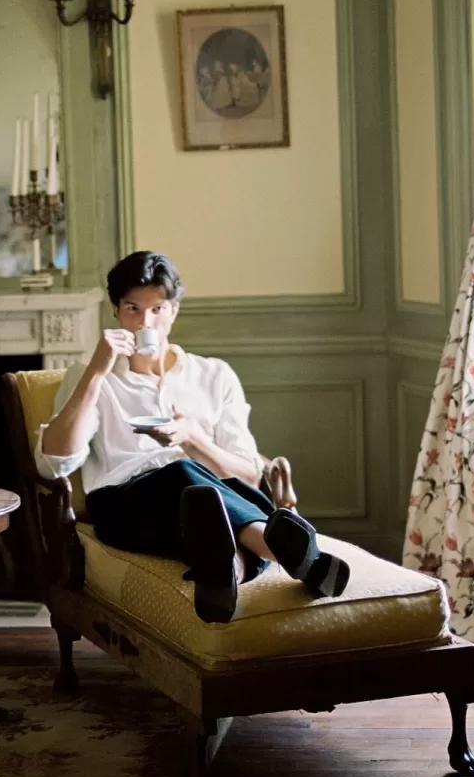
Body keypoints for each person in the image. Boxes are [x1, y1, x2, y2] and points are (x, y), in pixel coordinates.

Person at [35, 250, 350, 623]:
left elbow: (249, 476)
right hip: (124, 509)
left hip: (206, 512)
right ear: (116, 312)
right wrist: (96, 372)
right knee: (182, 475)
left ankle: (226, 575)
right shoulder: (91, 377)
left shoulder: (214, 376)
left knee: (203, 507)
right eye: (133, 309)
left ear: (173, 311)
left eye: (157, 309)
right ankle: (293, 554)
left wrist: (194, 440)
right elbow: (53, 463)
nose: (145, 322)